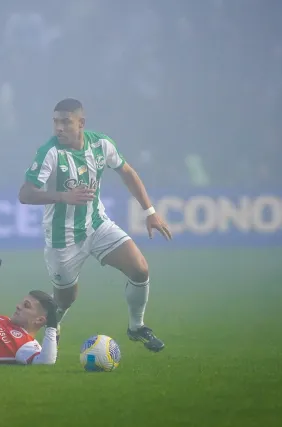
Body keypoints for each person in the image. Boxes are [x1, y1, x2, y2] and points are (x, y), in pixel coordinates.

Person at [17, 98, 173, 352]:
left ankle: (137, 327)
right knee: (66, 298)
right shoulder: (50, 152)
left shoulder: (101, 144)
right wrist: (62, 196)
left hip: (97, 225)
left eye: (66, 122)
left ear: (81, 123)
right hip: (62, 237)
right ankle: (52, 331)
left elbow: (127, 173)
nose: (59, 128)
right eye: (56, 122)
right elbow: (25, 194)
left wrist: (150, 212)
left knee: (140, 269)